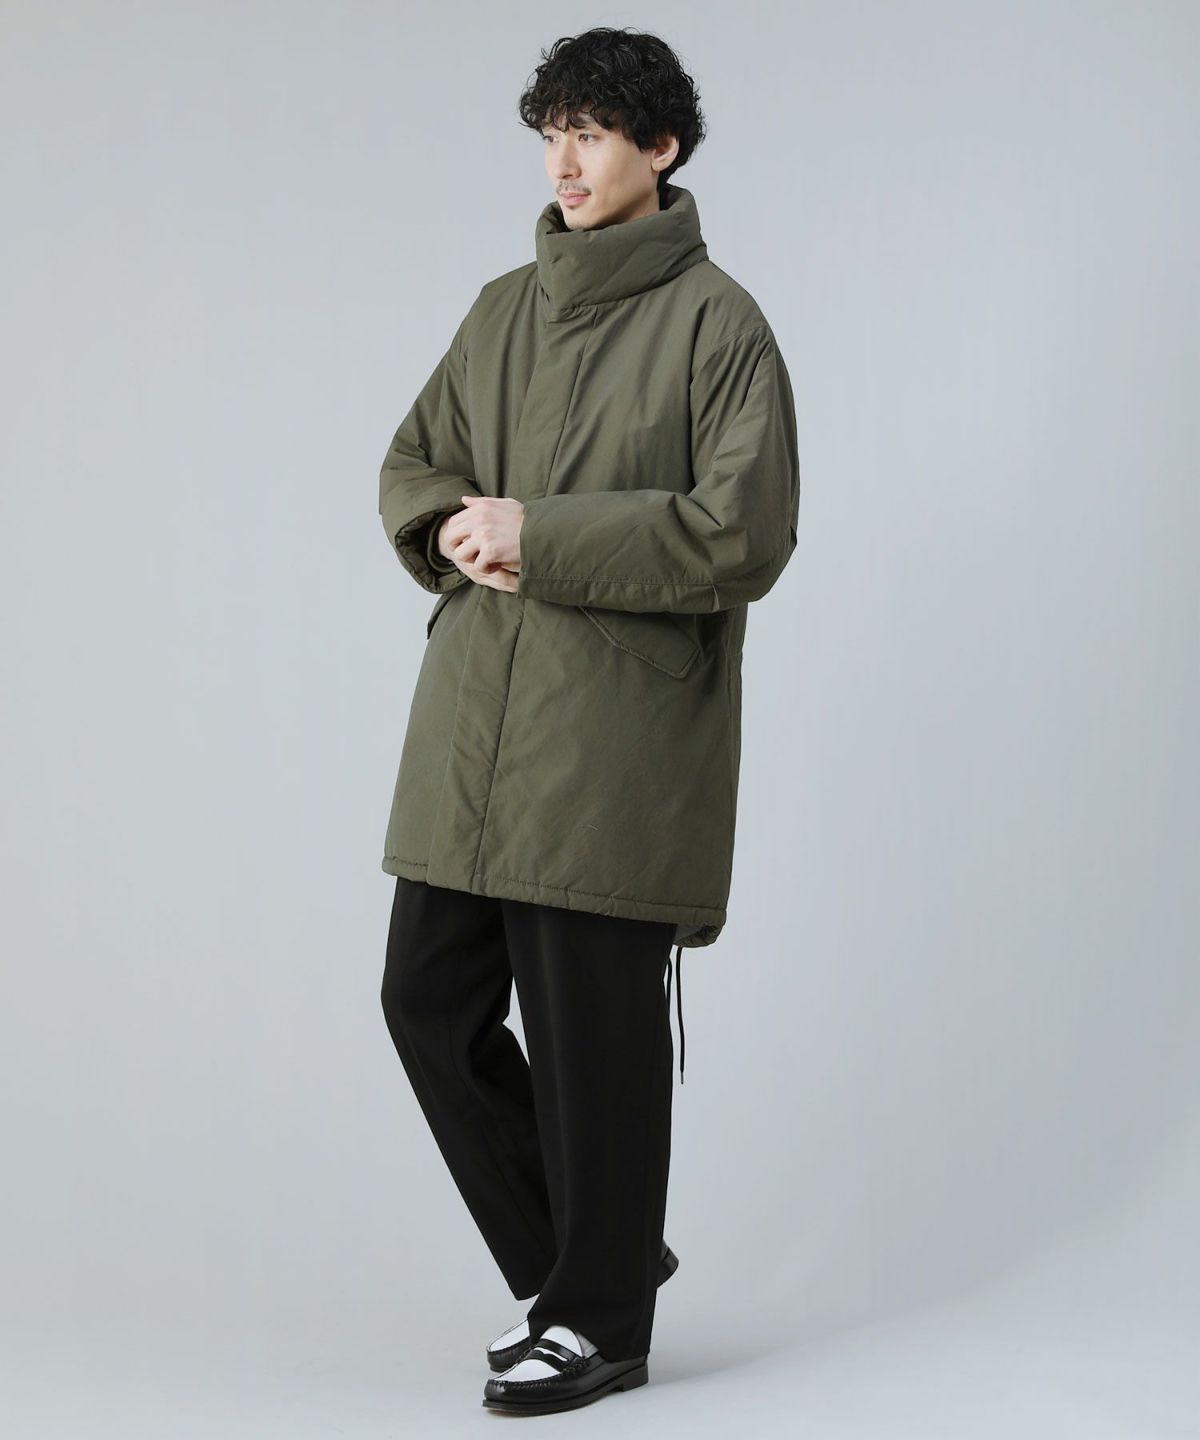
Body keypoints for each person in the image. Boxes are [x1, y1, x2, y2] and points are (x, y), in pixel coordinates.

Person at [377, 26, 800, 1415]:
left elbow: (740, 532)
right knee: (426, 1002)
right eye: (551, 132)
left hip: (613, 736)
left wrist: (540, 536)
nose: (565, 161)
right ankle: (600, 1257)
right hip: (476, 724)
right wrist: (450, 524)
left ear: (660, 148)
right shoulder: (502, 308)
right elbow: (419, 457)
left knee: (590, 1044)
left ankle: (599, 1321)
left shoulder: (719, 326)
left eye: (595, 133)